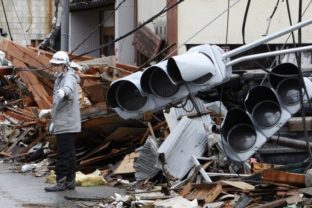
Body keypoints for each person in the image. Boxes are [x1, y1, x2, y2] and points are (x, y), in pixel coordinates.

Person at [39, 51, 81, 192]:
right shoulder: (61, 77)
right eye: (54, 65)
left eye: (57, 65)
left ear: (64, 65)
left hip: (67, 123)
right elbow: (58, 103)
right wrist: (52, 117)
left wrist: (64, 92)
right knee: (69, 153)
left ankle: (61, 182)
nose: (54, 67)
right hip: (64, 122)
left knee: (64, 154)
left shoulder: (69, 77)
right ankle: (70, 181)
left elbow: (68, 89)